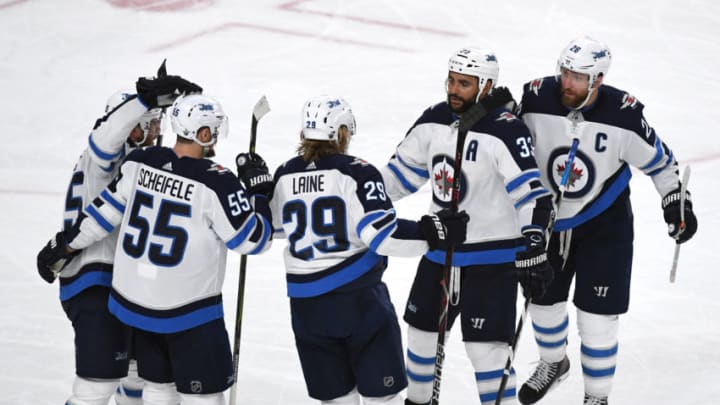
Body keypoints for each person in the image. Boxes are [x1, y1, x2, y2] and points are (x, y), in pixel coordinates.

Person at [37, 87, 275, 405]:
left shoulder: (140, 162)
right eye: (214, 131)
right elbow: (253, 240)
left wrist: (66, 245)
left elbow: (102, 214)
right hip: (188, 311)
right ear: (204, 133)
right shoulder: (217, 180)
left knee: (154, 389)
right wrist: (259, 192)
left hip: (135, 306)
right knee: (196, 396)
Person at [515, 36, 698, 405]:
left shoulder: (623, 114)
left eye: (577, 77)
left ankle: (596, 397)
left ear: (597, 79)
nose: (567, 82)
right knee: (542, 302)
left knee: (597, 319)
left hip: (605, 223)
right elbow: (510, 145)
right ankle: (554, 363)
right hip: (547, 221)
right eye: (565, 72)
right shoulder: (535, 98)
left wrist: (677, 203)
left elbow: (661, 163)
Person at [257, 95, 468, 405]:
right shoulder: (356, 172)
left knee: (336, 400)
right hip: (359, 305)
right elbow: (382, 235)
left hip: (307, 311)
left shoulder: (285, 174)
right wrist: (433, 231)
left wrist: (258, 193)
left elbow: (269, 230)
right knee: (382, 399)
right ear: (342, 132)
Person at [380, 47, 555, 405]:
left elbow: (533, 196)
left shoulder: (506, 131)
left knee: (486, 352)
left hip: (491, 261)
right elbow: (397, 176)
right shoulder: (434, 120)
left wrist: (534, 247)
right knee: (421, 338)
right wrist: (357, 197)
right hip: (439, 253)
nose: (454, 90)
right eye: (451, 81)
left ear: (486, 85)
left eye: (464, 83)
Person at [35, 79, 180, 404]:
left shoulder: (135, 164)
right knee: (96, 388)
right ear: (131, 127)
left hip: (121, 285)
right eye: (150, 124)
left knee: (136, 377)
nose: (156, 131)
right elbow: (106, 135)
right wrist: (143, 101)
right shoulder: (104, 158)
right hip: (94, 284)